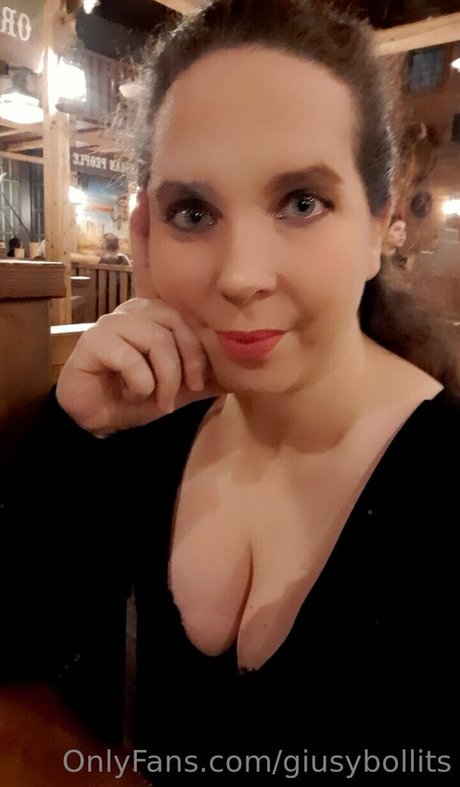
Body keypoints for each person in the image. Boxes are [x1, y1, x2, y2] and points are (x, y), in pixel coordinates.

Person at [1, 1, 458, 785]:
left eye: (302, 202)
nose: (241, 275)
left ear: (376, 226)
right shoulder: (150, 426)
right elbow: (18, 640)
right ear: (147, 235)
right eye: (193, 212)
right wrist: (77, 436)